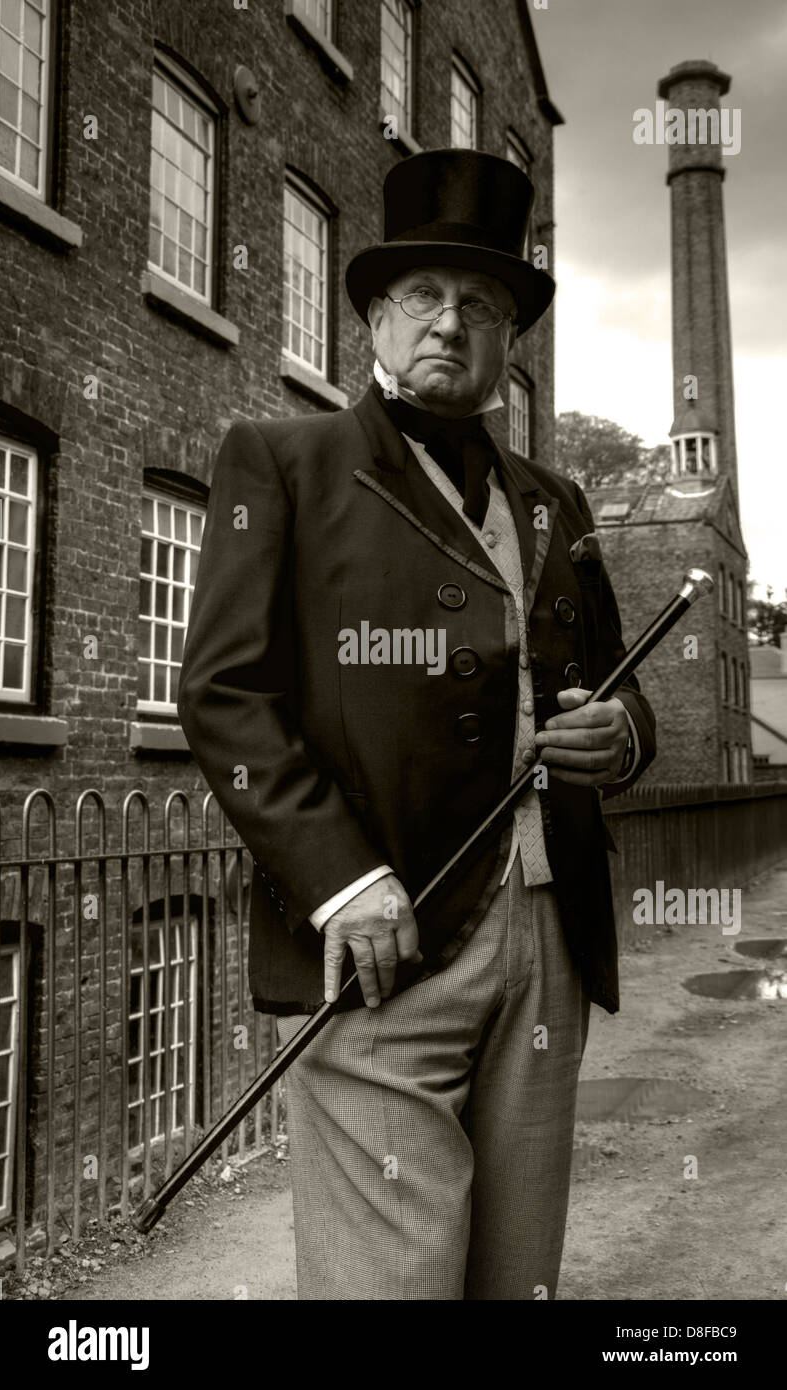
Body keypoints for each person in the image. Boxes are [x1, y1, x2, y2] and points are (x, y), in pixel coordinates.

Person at [177, 148, 656, 1301]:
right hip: (382, 937)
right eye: (425, 298)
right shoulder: (284, 463)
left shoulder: (557, 501)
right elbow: (225, 692)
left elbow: (622, 684)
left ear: (509, 343)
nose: (452, 322)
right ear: (377, 321)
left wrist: (620, 734)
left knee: (517, 1270)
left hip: (549, 931)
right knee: (391, 1277)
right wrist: (344, 881)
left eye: (482, 305)